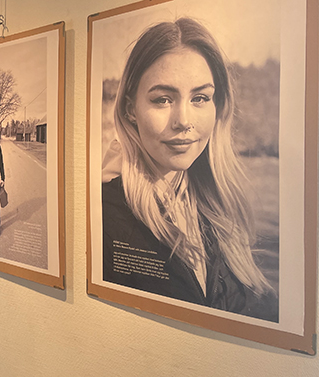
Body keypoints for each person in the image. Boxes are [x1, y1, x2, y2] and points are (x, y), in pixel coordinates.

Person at [102, 17, 275, 319]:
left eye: (200, 98)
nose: (183, 121)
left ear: (217, 106)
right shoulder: (104, 214)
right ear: (131, 109)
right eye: (162, 99)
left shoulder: (218, 206)